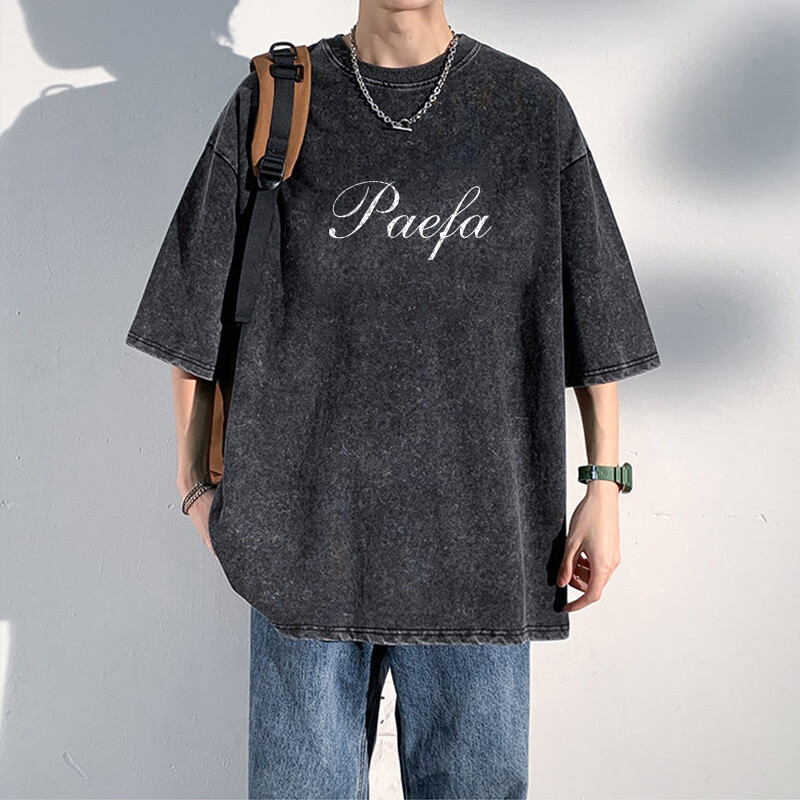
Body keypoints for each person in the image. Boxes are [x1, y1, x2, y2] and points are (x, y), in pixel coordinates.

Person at [125, 2, 661, 798]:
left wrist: (605, 485)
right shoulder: (276, 100)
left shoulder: (529, 111)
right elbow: (195, 307)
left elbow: (595, 313)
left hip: (480, 547)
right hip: (301, 545)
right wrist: (194, 485)